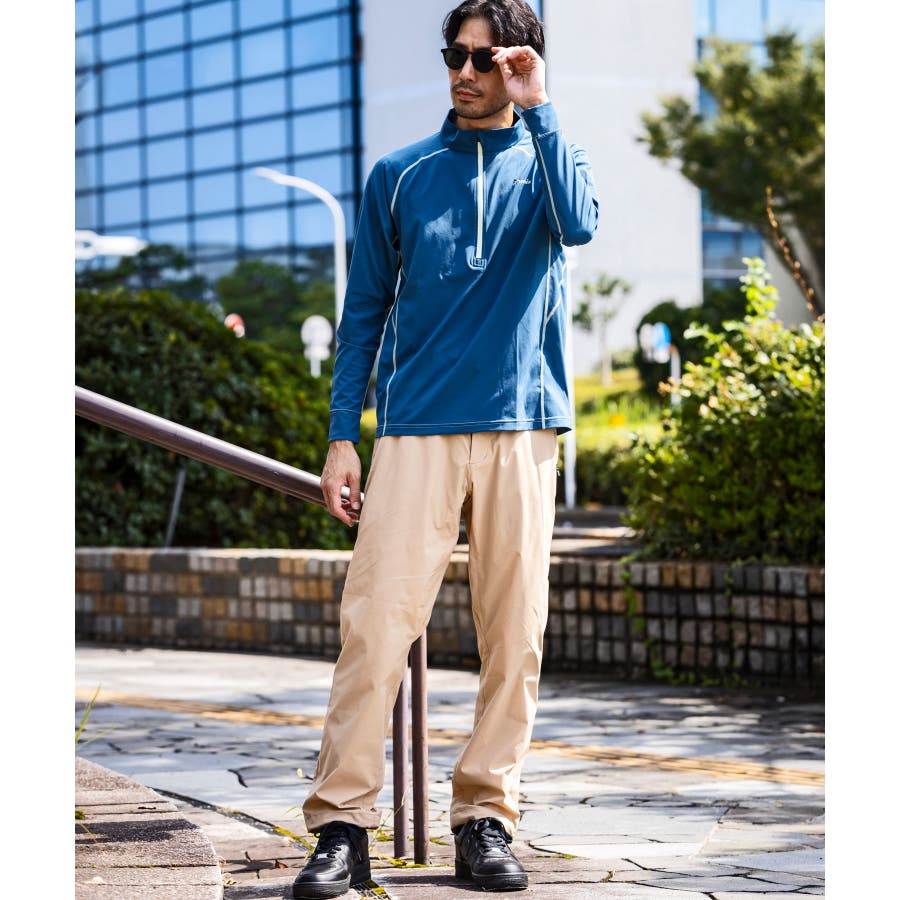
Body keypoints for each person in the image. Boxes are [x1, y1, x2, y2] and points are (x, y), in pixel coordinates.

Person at [292, 1, 599, 896]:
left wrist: (539, 106)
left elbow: (579, 223)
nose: (464, 73)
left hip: (522, 427)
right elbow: (362, 314)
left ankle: (485, 818)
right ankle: (342, 826)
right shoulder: (400, 175)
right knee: (374, 629)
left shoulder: (552, 162)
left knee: (515, 636)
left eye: (484, 59)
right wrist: (342, 436)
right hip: (415, 429)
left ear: (519, 64)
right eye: (454, 56)